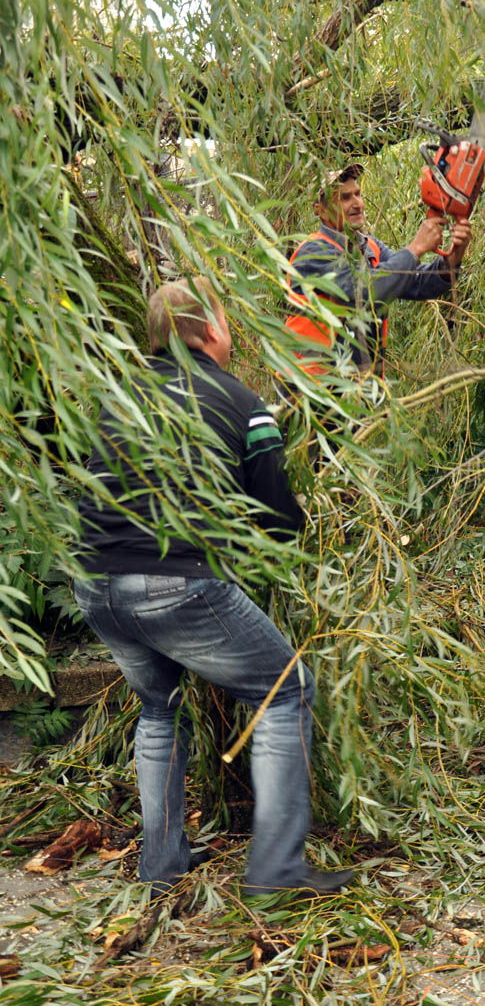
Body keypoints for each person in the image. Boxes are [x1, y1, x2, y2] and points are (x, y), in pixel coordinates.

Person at [73, 278, 353, 900]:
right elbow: (277, 522)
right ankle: (277, 872)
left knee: (158, 706)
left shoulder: (119, 400)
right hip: (174, 583)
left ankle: (162, 863)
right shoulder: (242, 403)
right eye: (227, 321)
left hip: (94, 583)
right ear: (211, 330)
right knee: (286, 690)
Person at [285, 163, 472, 376]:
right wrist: (415, 249)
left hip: (360, 386)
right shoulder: (313, 252)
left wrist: (453, 257)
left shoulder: (370, 248)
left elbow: (417, 282)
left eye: (358, 194)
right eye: (345, 198)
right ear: (320, 210)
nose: (357, 204)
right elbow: (364, 291)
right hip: (312, 388)